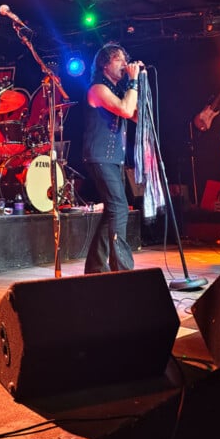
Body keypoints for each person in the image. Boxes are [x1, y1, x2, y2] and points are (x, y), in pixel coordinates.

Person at [81, 43, 144, 273]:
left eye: (125, 58)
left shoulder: (120, 90)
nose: (124, 63)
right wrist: (133, 82)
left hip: (114, 159)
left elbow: (137, 116)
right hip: (99, 157)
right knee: (119, 207)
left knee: (112, 210)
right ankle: (123, 269)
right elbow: (126, 111)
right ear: (105, 64)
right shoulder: (98, 89)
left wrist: (139, 85)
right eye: (118, 59)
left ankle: (95, 268)